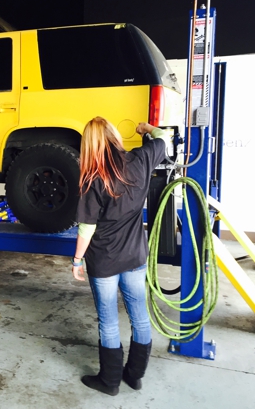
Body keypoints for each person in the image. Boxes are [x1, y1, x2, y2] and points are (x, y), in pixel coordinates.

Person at [71, 116, 170, 396]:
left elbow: (86, 229)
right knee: (139, 316)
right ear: (114, 136)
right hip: (135, 255)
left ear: (89, 145)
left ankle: (110, 381)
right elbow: (164, 137)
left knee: (108, 320)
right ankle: (135, 376)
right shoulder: (140, 160)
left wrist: (77, 260)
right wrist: (145, 128)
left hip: (104, 260)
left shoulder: (93, 179)